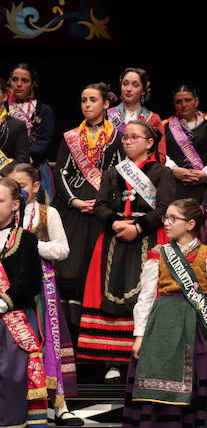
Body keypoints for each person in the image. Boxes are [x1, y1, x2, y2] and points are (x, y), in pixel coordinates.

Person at [121, 198, 207, 428]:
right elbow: (146, 298)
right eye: (167, 218)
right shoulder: (158, 253)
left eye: (173, 218)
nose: (167, 223)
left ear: (191, 224)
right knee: (160, 382)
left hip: (195, 324)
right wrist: (139, 335)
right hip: (162, 325)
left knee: (194, 386)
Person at [78, 120, 175, 383]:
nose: (128, 141)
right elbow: (100, 205)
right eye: (125, 138)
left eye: (134, 137)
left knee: (145, 293)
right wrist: (115, 222)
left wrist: (140, 227)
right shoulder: (113, 173)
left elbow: (165, 208)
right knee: (113, 292)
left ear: (149, 142)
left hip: (149, 237)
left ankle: (144, 354)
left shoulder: (161, 173)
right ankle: (113, 360)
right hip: (114, 237)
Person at [52, 83, 125, 344]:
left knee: (93, 271)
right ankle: (66, 334)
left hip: (102, 210)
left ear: (106, 104)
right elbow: (61, 173)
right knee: (68, 269)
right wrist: (73, 201)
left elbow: (120, 173)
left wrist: (103, 202)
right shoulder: (70, 136)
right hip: (73, 210)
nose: (87, 105)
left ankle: (93, 338)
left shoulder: (117, 137)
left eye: (93, 100)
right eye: (83, 100)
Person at [12, 164, 82, 427]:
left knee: (49, 341)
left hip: (43, 287)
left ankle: (60, 403)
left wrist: (31, 245)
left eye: (23, 186)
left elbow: (62, 249)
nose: (19, 192)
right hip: (12, 287)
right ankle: (24, 403)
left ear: (36, 187)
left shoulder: (46, 213)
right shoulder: (6, 213)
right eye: (13, 186)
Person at [0, 177, 45, 428]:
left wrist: (5, 301)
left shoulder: (25, 239)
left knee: (10, 379)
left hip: (11, 321)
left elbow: (31, 280)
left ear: (15, 205)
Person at [161, 85, 207, 203]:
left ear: (196, 101)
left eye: (188, 100)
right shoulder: (164, 127)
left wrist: (205, 173)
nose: (184, 105)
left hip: (205, 187)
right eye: (179, 102)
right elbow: (160, 154)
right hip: (174, 186)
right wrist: (173, 170)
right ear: (173, 104)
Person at [5, 64, 55, 197]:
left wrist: (24, 158)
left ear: (33, 84)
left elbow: (45, 140)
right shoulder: (3, 107)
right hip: (4, 164)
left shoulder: (43, 109)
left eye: (25, 80)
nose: (19, 84)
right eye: (15, 79)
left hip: (34, 165)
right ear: (9, 81)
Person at [107, 68, 163, 136]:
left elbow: (160, 146)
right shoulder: (108, 115)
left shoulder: (153, 118)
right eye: (125, 84)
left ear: (143, 91)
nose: (128, 89)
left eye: (135, 85)